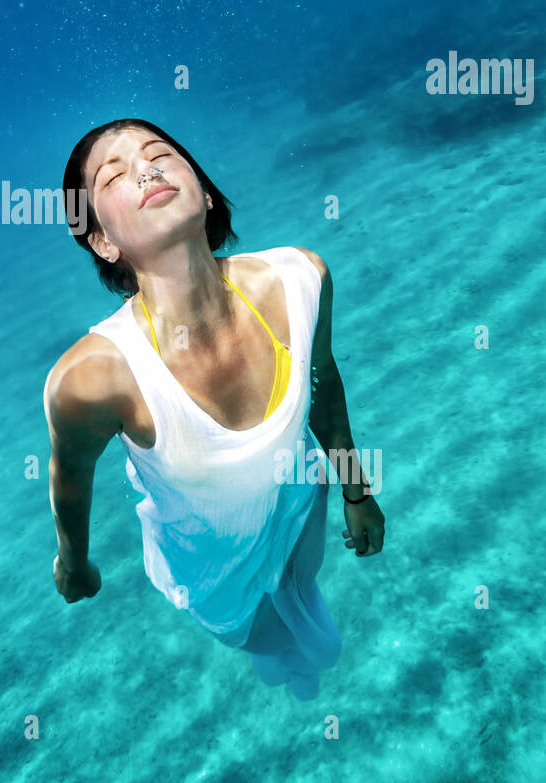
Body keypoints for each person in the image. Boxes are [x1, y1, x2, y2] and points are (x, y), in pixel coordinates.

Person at [43, 119, 385, 700]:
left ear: (203, 191)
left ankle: (299, 659)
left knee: (310, 607)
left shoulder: (301, 278)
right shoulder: (92, 378)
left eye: (158, 154)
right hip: (211, 566)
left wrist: (356, 492)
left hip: (299, 504)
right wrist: (73, 564)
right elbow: (70, 479)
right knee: (289, 649)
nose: (145, 170)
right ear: (103, 240)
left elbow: (323, 384)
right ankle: (287, 667)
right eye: (114, 175)